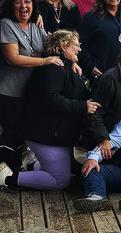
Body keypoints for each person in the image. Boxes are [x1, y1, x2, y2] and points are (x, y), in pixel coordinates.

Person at [2, 30, 103, 191]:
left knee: (69, 172)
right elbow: (50, 99)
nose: (79, 49)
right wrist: (83, 106)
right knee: (61, 181)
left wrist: (73, 64)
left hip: (57, 134)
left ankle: (32, 166)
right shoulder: (53, 68)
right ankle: (9, 178)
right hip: (43, 134)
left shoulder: (66, 65)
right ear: (63, 46)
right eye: (76, 46)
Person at [0, 0, 57, 168]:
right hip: (10, 92)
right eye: (18, 2)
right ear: (11, 5)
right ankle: (8, 172)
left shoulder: (35, 26)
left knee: (25, 132)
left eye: (27, 2)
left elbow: (52, 46)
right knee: (10, 132)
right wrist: (45, 61)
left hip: (31, 92)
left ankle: (19, 170)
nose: (23, 6)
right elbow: (13, 58)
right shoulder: (6, 25)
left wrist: (72, 59)